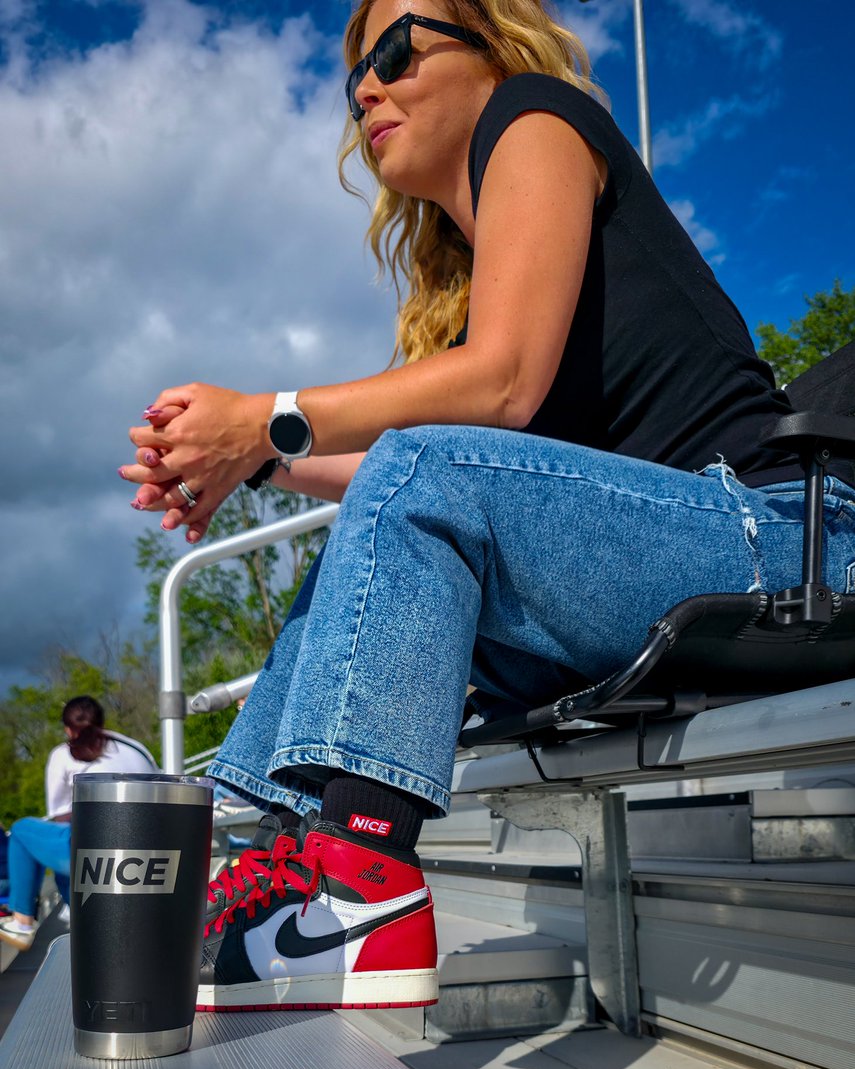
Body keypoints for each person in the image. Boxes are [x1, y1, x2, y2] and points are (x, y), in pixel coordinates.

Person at [118, 0, 855, 1011]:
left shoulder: (537, 115)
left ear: (488, 46)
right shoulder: (470, 282)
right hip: (645, 564)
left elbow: (501, 383)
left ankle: (360, 881)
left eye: (393, 49)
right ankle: (263, 848)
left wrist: (265, 418)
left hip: (776, 536)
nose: (367, 87)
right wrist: (246, 464)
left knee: (423, 471)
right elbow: (400, 475)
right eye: (353, 78)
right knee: (385, 509)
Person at [0, 696, 157, 951]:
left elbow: (61, 818)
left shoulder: (63, 755)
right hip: (146, 850)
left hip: (97, 854)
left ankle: (23, 922)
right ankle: (86, 917)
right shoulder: (137, 749)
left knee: (22, 831)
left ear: (68, 728)